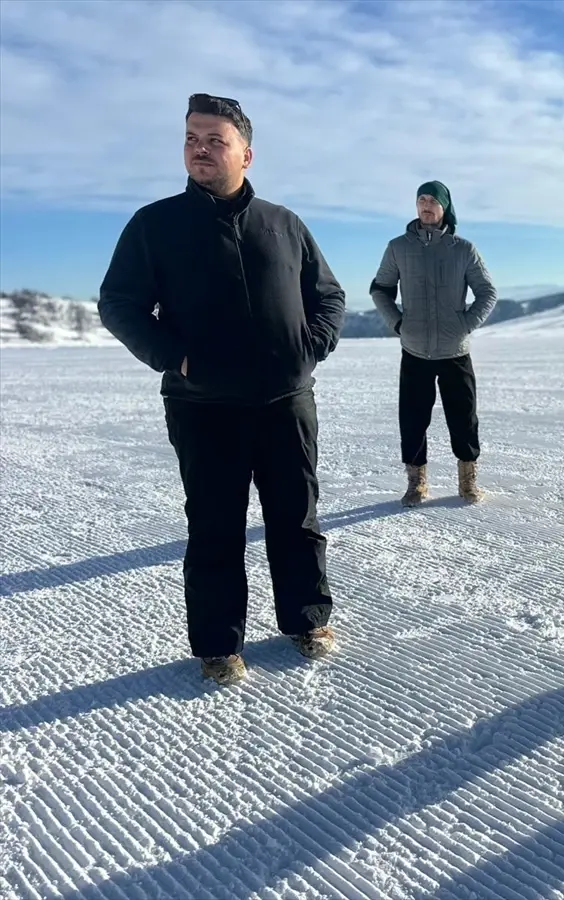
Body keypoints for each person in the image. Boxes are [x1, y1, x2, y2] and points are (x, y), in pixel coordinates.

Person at [97, 93, 346, 686]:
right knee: (214, 524)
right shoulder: (156, 224)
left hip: (286, 400)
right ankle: (217, 643)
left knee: (297, 517)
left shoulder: (284, 224)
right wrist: (175, 358)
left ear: (246, 154)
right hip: (204, 406)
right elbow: (119, 304)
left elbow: (328, 295)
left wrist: (310, 348)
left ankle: (307, 618)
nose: (200, 149)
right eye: (191, 138)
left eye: (215, 140)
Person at [369, 181, 499, 507]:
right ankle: (416, 484)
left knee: (464, 418)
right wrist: (397, 323)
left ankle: (468, 482)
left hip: (455, 351)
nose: (426, 206)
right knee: (413, 419)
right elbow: (380, 288)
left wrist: (465, 324)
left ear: (445, 207)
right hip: (414, 351)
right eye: (421, 200)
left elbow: (487, 292)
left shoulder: (463, 249)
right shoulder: (398, 247)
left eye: (433, 201)